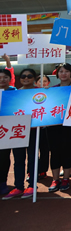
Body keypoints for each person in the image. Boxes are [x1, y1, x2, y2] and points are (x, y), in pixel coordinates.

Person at [46, 64, 71, 193]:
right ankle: (55, 179)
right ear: (57, 74)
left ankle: (65, 178)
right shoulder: (52, 89)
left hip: (70, 125)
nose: (63, 74)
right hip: (54, 125)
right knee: (54, 152)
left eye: (66, 71)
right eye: (61, 72)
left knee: (68, 151)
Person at [1, 69, 19, 198]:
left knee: (4, 157)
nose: (2, 80)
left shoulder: (14, 92)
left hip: (8, 129)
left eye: (5, 77)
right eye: (0, 77)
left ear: (10, 78)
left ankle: (3, 182)